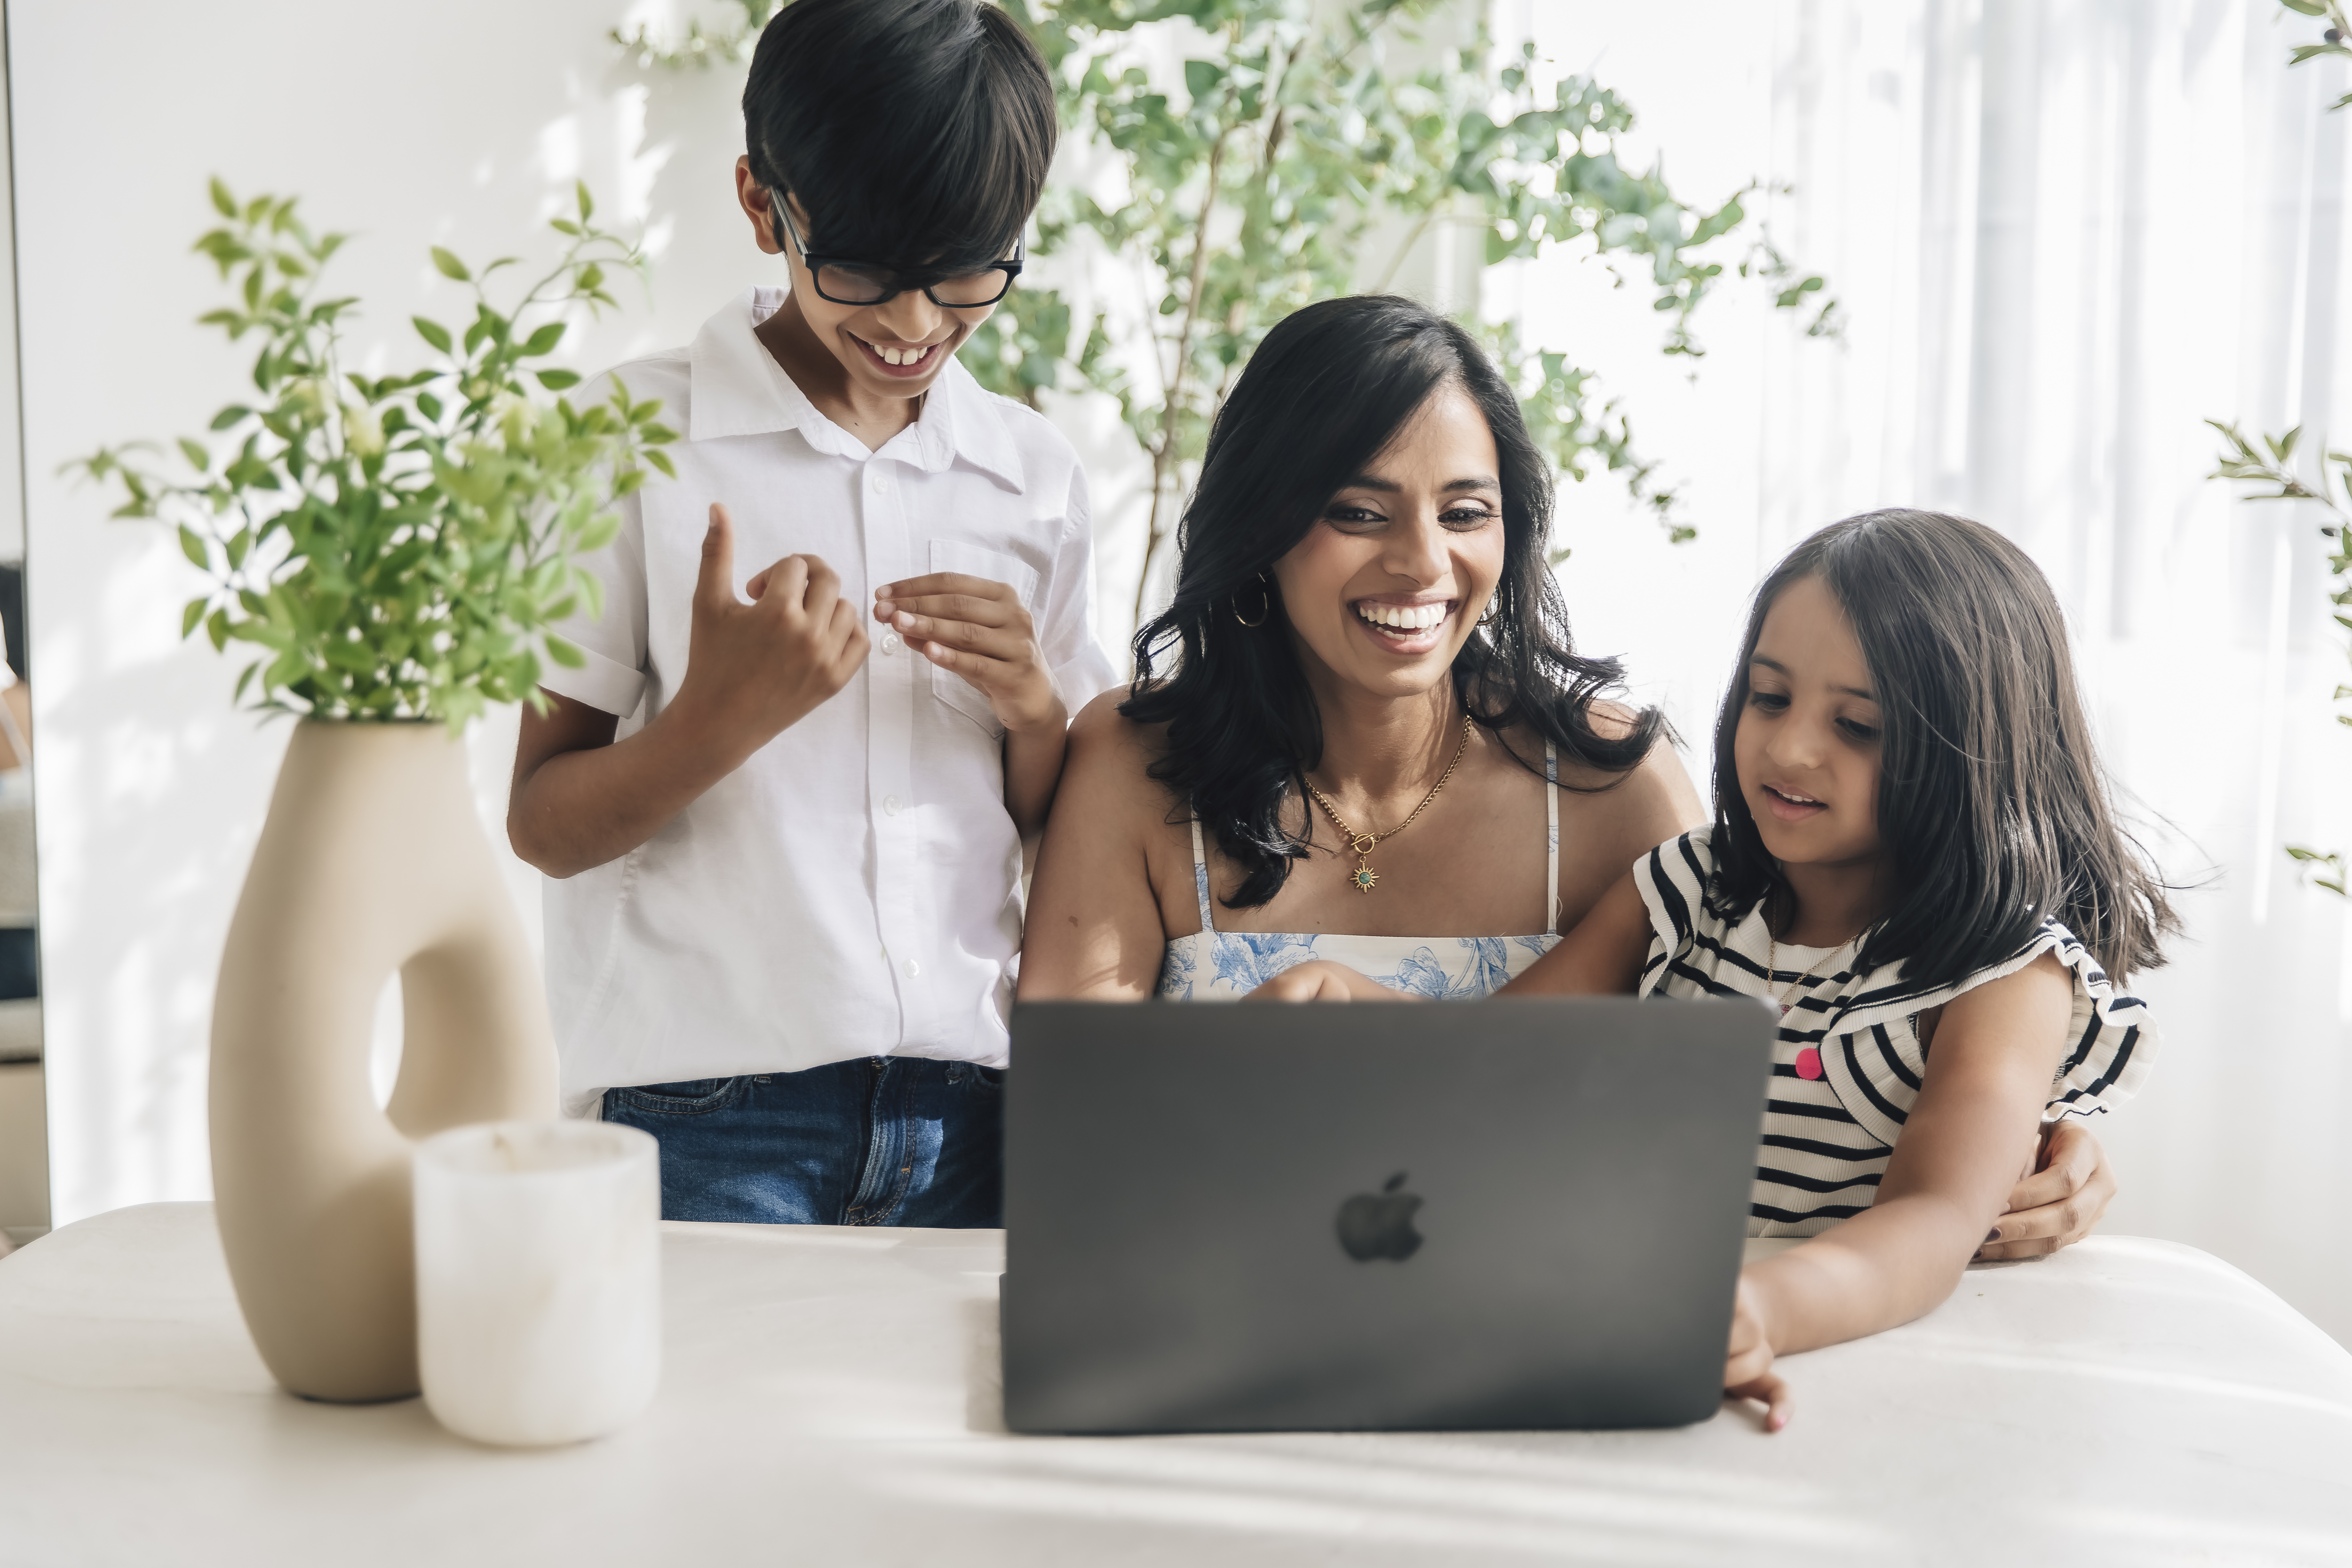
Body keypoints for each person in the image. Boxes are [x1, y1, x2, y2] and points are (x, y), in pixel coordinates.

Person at [1020, 297, 2120, 1258]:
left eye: (1465, 512)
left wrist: (2033, 1130)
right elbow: (1068, 1133)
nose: (1419, 562)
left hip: (1536, 1324)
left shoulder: (1610, 775)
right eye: (1357, 512)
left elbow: (1811, 1003)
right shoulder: (1133, 756)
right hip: (1219, 1293)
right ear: (1261, 525)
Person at [1271, 509, 2172, 1427]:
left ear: (1973, 751)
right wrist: (1356, 1005)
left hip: (1846, 1375)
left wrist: (1759, 1309)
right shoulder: (1688, 888)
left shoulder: (1999, 973)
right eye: (1770, 697)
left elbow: (1933, 1222)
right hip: (1627, 1329)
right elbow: (1501, 1054)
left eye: (1856, 724)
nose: (1788, 748)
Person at [508, 0, 1115, 1227]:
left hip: (971, 1110)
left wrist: (1037, 713)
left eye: (967, 275)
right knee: (714, 1428)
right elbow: (542, 822)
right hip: (712, 1115)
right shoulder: (625, 447)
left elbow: (1065, 828)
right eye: (860, 272)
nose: (911, 324)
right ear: (760, 203)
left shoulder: (1031, 477)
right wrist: (716, 722)